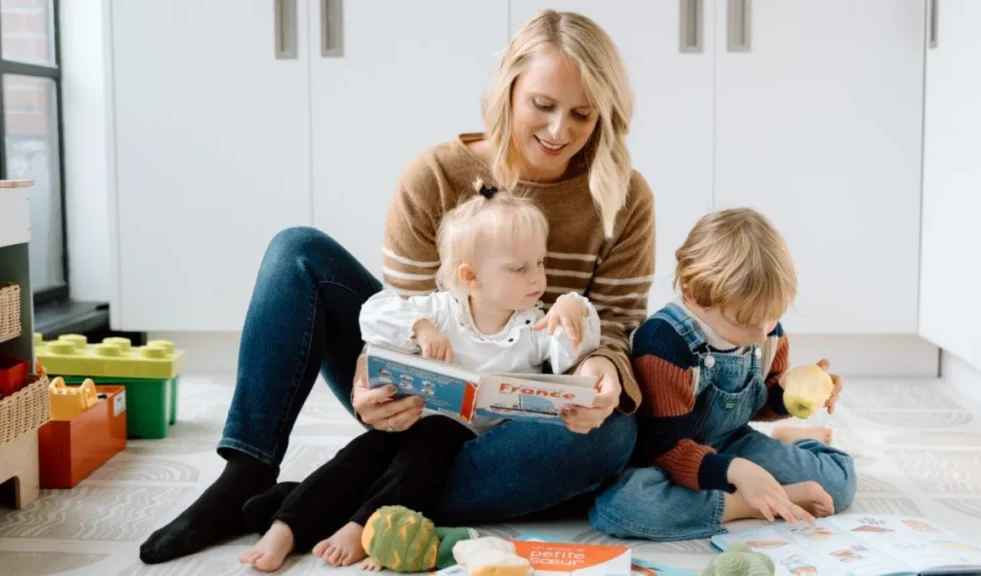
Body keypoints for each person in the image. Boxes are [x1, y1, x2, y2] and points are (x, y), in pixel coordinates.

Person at [139, 8, 656, 565]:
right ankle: (246, 474)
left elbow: (616, 326)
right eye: (542, 105)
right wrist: (369, 383)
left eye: (582, 114)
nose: (559, 131)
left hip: (520, 417)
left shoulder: (625, 198)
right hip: (420, 405)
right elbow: (403, 315)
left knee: (613, 437)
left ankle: (339, 498)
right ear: (508, 90)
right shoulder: (435, 176)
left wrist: (599, 371)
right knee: (296, 251)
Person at [237, 190, 601, 572]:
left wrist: (574, 309)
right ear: (471, 276)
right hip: (409, 424)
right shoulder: (440, 309)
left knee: (432, 441)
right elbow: (373, 314)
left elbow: (575, 353)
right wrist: (420, 328)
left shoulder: (537, 325)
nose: (537, 277)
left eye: (540, 262)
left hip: (474, 448)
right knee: (364, 452)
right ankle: (286, 526)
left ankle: (365, 526)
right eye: (519, 268)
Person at [588, 208, 857, 542]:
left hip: (731, 441)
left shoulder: (765, 332)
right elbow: (661, 447)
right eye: (745, 322)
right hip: (663, 457)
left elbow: (758, 403)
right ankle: (745, 504)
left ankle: (793, 441)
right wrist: (736, 471)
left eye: (773, 316)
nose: (761, 333)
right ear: (692, 292)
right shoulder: (663, 346)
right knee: (623, 507)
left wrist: (787, 394)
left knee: (838, 485)